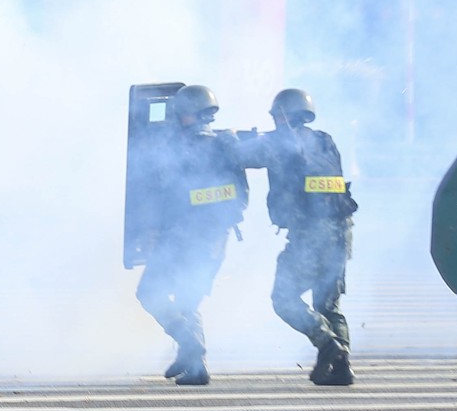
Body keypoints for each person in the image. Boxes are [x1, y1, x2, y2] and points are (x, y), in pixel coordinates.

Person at [237, 87, 358, 386]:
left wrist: (231, 138)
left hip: (310, 235)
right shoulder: (325, 141)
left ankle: (328, 344)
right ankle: (342, 368)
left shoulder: (277, 143)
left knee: (284, 299)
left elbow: (238, 155)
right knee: (329, 305)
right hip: (342, 232)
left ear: (282, 115)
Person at [131, 83, 250, 386]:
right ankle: (196, 367)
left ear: (186, 113)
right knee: (187, 300)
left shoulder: (177, 149)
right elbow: (240, 197)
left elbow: (160, 195)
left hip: (182, 238)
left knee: (149, 292)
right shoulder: (227, 145)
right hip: (214, 241)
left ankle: (189, 343)